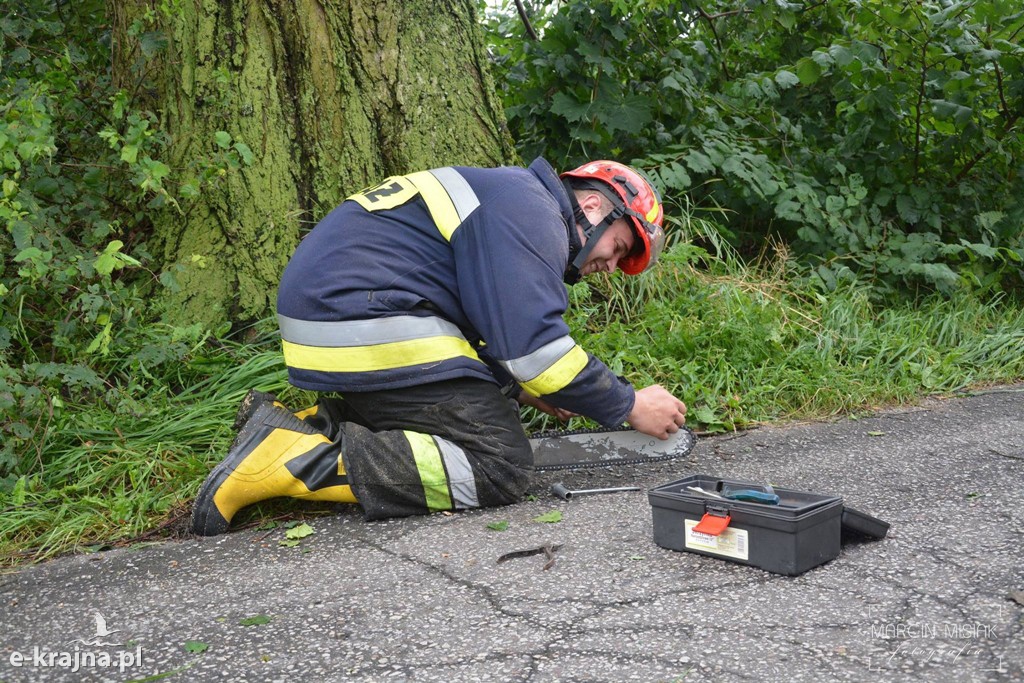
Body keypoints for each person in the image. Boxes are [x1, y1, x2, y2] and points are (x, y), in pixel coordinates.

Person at [191, 158, 688, 535]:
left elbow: (475, 321)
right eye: (618, 248)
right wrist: (629, 404)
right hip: (364, 320)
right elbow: (537, 350)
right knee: (499, 466)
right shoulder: (532, 213)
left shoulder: (510, 195)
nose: (609, 265)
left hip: (342, 320)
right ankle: (293, 460)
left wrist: (515, 389)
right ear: (595, 205)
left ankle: (301, 426)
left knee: (477, 418)